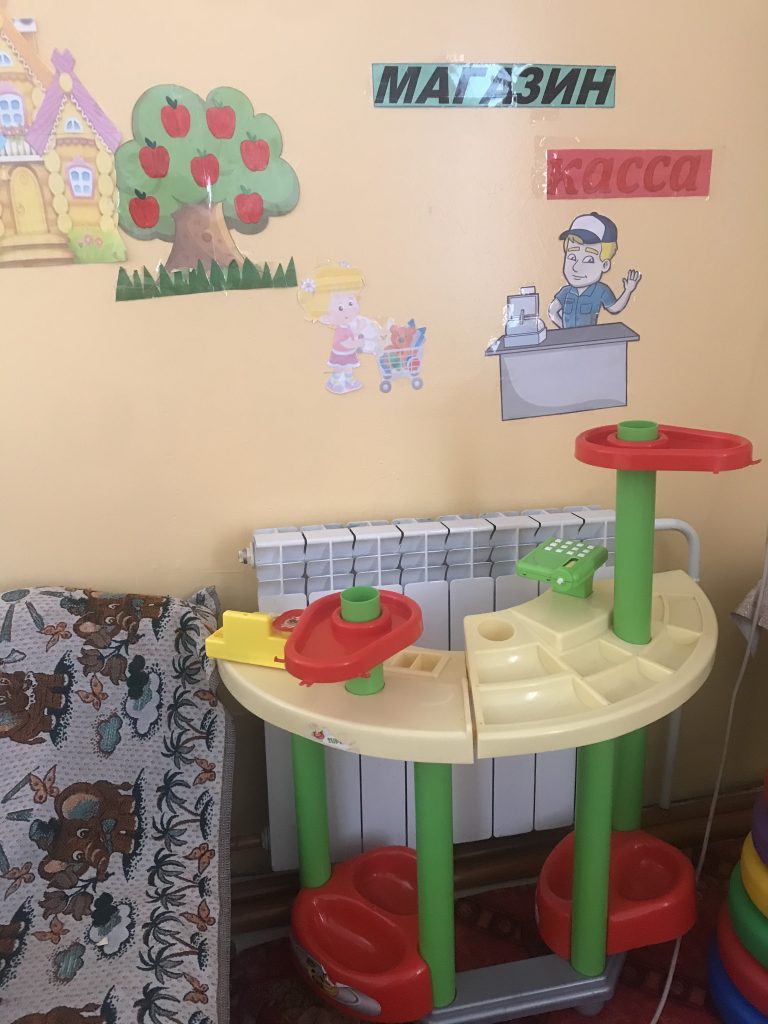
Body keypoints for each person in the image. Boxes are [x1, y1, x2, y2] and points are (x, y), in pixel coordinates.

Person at [298, 262, 382, 394]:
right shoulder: (341, 329)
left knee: (348, 368)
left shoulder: (348, 325)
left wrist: (359, 329)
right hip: (340, 355)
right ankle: (334, 381)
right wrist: (358, 343)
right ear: (327, 317)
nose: (348, 309)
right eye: (341, 308)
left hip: (349, 354)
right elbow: (344, 343)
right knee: (339, 369)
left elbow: (353, 334)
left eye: (350, 302)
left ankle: (349, 379)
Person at [548, 213, 642, 329]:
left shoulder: (600, 290)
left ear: (605, 265)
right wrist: (566, 330)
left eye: (589, 260)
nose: (576, 267)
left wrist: (628, 290)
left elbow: (614, 308)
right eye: (572, 257)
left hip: (590, 338)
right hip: (570, 339)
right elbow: (552, 311)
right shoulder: (566, 291)